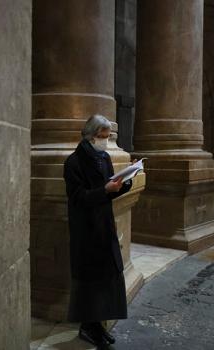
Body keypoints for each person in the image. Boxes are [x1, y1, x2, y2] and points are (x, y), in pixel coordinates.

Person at [63, 114, 133, 348]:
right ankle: (88, 327)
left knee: (107, 278)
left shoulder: (103, 158)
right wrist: (104, 190)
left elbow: (109, 190)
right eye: (103, 137)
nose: (105, 141)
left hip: (104, 226)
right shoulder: (73, 162)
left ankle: (98, 327)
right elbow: (77, 198)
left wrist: (124, 183)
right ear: (91, 136)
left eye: (107, 137)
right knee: (89, 281)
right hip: (86, 230)